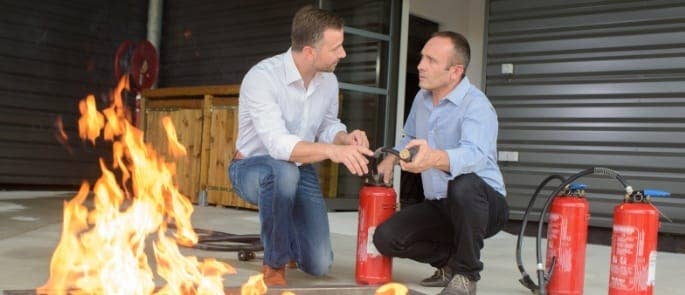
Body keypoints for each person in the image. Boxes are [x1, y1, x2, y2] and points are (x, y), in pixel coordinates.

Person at [228, 6, 373, 286]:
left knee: (319, 263)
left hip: (299, 169)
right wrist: (333, 152)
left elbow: (328, 124)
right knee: (283, 172)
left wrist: (345, 138)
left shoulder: (328, 81)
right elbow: (279, 145)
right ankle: (274, 263)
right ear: (309, 51)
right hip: (252, 169)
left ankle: (285, 238)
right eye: (336, 48)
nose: (343, 54)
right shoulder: (262, 78)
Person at [373, 31, 509, 295]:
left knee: (464, 184)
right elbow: (410, 136)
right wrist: (391, 157)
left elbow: (474, 155)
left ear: (455, 71)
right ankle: (450, 263)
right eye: (422, 57)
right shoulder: (421, 99)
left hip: (485, 205)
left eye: (431, 60)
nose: (420, 65)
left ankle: (467, 275)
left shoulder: (477, 106)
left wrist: (433, 157)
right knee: (386, 238)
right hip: (441, 203)